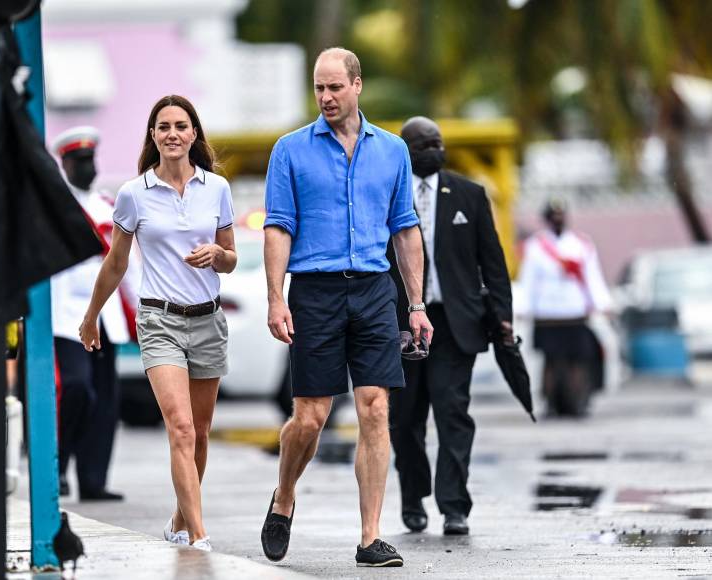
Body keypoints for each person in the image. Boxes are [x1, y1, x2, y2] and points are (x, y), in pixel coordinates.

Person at [260, 47, 432, 568]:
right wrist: (274, 297)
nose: (326, 97)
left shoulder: (393, 150)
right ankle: (284, 495)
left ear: (358, 85)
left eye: (335, 87)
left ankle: (370, 537)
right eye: (319, 88)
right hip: (315, 291)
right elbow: (277, 228)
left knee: (375, 407)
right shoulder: (289, 150)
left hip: (376, 290)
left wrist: (417, 305)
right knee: (310, 418)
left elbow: (405, 229)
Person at [79, 95, 236, 552]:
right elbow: (116, 262)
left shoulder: (217, 189)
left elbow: (230, 259)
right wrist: (91, 317)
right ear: (152, 135)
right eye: (163, 126)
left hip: (208, 321)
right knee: (181, 429)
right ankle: (199, 536)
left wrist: (217, 255)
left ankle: (179, 518)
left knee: (201, 434)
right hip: (160, 321)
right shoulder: (134, 193)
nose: (172, 134)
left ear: (193, 134)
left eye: (181, 126)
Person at [386, 116, 513, 536]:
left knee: (453, 413)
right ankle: (412, 497)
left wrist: (503, 316)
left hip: (454, 324)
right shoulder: (385, 193)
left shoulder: (469, 194)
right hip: (402, 325)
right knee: (405, 420)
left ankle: (455, 505)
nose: (433, 150)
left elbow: (492, 263)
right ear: (405, 152)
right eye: (423, 145)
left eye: (437, 143)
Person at [50, 126, 134, 501]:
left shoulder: (106, 206)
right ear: (64, 164)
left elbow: (128, 263)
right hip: (67, 315)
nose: (86, 168)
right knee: (76, 389)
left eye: (90, 161)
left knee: (104, 399)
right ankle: (59, 462)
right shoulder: (54, 206)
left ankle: (94, 479)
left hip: (107, 316)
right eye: (78, 162)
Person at [517, 199, 611, 417]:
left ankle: (576, 402)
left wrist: (602, 303)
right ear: (547, 220)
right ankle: (550, 403)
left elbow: (593, 277)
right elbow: (528, 280)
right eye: (553, 217)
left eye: (560, 216)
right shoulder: (536, 246)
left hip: (574, 310)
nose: (557, 220)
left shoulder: (581, 244)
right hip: (547, 312)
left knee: (577, 360)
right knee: (551, 361)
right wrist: (523, 307)